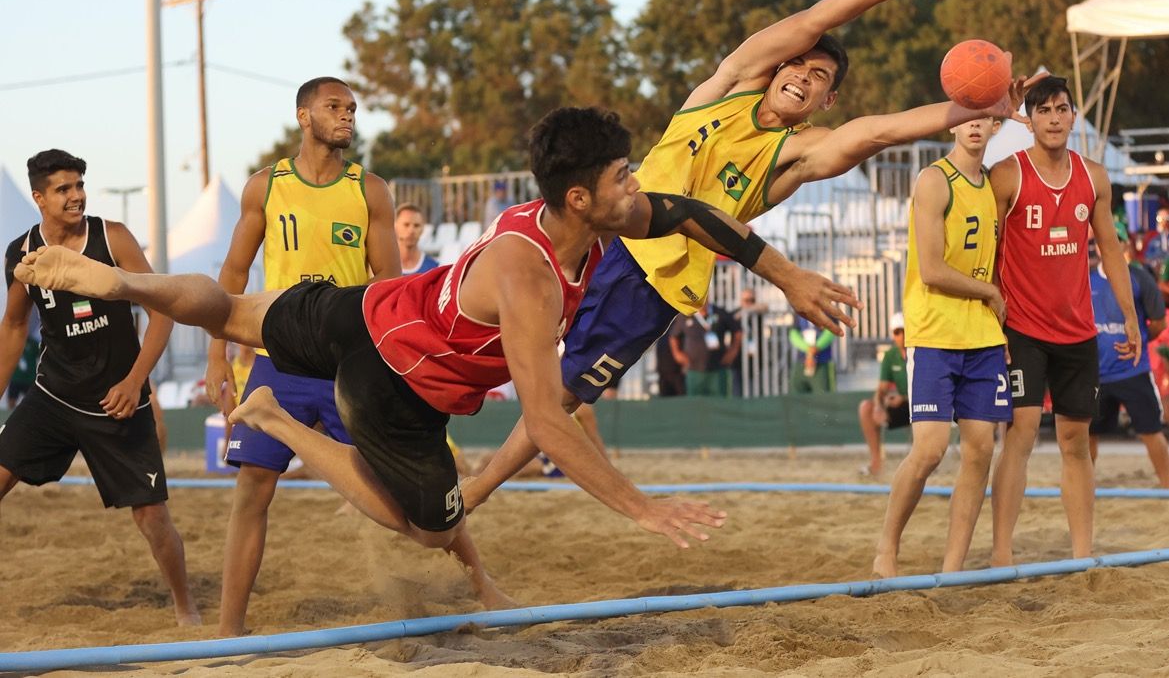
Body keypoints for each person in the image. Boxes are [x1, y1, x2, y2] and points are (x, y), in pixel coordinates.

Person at [15, 106, 859, 557]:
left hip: (374, 304)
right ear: (578, 199)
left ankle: (129, 282)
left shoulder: (597, 216)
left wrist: (787, 275)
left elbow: (691, 214)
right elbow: (549, 424)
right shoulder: (530, 275)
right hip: (393, 382)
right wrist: (639, 507)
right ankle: (269, 415)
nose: (634, 187)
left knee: (234, 309)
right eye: (619, 176)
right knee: (423, 529)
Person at [469, 0, 1038, 497]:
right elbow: (814, 19)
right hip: (593, 232)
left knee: (565, 397)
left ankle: (476, 489)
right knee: (487, 331)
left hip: (650, 283)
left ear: (826, 102)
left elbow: (879, 130)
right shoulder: (728, 85)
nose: (803, 75)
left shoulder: (796, 154)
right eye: (798, 63)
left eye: (820, 77)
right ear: (775, 68)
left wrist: (981, 108)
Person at [201, 76, 407, 636]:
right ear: (303, 115)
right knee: (253, 491)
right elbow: (234, 274)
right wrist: (217, 354)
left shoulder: (371, 190)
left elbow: (390, 282)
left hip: (348, 360)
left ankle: (480, 582)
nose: (346, 117)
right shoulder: (265, 187)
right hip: (280, 359)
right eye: (334, 107)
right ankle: (229, 630)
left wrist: (397, 360)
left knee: (404, 487)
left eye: (352, 109)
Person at [0, 149, 199, 625]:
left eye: (79, 186)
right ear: (39, 198)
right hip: (53, 395)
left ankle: (186, 607)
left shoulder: (113, 238)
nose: (76, 196)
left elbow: (164, 310)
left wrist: (135, 383)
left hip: (117, 402)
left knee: (151, 517)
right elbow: (12, 326)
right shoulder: (22, 251)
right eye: (64, 189)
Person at [989, 76, 1141, 565]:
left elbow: (1111, 250)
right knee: (1024, 433)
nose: (1054, 118)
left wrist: (1130, 316)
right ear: (1028, 120)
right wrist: (993, 317)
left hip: (1078, 330)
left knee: (1077, 441)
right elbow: (987, 253)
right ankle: (1001, 553)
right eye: (1044, 110)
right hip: (1024, 330)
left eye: (1062, 109)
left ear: (1074, 116)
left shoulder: (1093, 176)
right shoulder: (1007, 175)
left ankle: (1082, 555)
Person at [871, 116, 1012, 577]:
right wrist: (989, 292)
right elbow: (931, 269)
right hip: (935, 333)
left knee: (980, 451)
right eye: (965, 117)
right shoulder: (934, 179)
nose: (974, 127)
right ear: (953, 124)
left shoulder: (994, 185)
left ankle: (953, 570)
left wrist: (1007, 104)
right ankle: (887, 548)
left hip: (984, 337)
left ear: (994, 126)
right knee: (930, 451)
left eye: (983, 119)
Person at [1088, 238, 1169, 487]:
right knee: (1086, 434)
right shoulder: (1086, 277)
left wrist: (1139, 341)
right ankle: (1083, 484)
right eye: (1102, 241)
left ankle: (1167, 485)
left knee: (1151, 430)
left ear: (1125, 246)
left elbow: (1157, 322)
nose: (1107, 245)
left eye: (1115, 240)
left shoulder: (1139, 278)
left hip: (1132, 370)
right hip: (1096, 372)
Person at [857, 312, 909, 476]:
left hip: (922, 406)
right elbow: (882, 389)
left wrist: (905, 398)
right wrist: (879, 406)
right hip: (903, 406)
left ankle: (926, 463)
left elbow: (932, 389)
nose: (902, 335)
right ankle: (876, 463)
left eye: (904, 330)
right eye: (897, 332)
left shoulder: (921, 352)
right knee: (866, 408)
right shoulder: (890, 355)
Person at [668, 301, 738, 396]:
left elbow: (738, 331)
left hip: (718, 368)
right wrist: (677, 354)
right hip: (694, 369)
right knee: (695, 405)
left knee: (720, 403)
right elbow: (673, 336)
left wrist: (733, 351)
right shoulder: (686, 315)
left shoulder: (720, 312)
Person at [788, 317, 835, 393]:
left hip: (822, 363)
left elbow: (830, 332)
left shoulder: (828, 311)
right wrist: (808, 349)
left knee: (823, 397)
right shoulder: (800, 312)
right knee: (797, 396)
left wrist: (816, 348)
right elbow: (793, 334)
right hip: (801, 362)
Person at [396, 203, 440, 275]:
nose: (411, 230)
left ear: (422, 229)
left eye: (416, 226)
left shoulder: (433, 268)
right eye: (406, 225)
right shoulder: (385, 265)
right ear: (395, 226)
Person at [4, 335, 38, 408]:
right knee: (11, 401)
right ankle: (12, 418)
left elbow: (41, 356)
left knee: (32, 403)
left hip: (29, 379)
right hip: (15, 378)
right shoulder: (11, 343)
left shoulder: (33, 343)